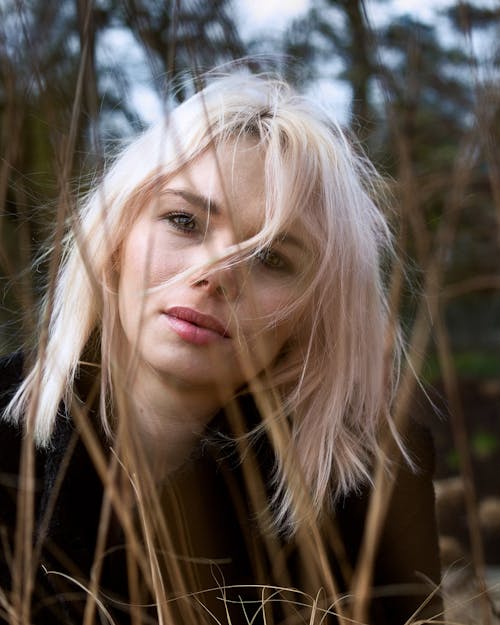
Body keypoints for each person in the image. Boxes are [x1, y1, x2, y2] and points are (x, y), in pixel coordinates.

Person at [0, 71, 441, 625]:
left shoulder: (371, 492)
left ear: (314, 312)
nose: (214, 274)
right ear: (115, 239)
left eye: (272, 258)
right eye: (183, 221)